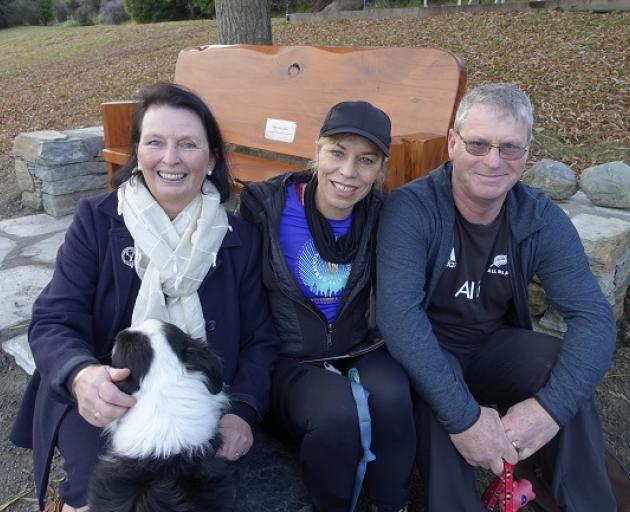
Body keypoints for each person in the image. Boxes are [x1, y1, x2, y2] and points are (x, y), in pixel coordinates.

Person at [11, 83, 279, 512]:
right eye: (155, 142)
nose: (170, 159)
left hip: (194, 401)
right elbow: (53, 319)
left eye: (188, 144)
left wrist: (241, 411)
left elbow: (261, 340)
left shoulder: (239, 238)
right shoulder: (97, 221)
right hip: (105, 397)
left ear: (211, 159)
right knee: (95, 492)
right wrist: (81, 376)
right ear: (137, 153)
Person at [376, 83, 617, 511]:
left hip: (491, 347)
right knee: (442, 403)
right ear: (452, 143)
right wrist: (466, 418)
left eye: (509, 148)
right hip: (426, 349)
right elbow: (398, 316)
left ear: (527, 153)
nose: (493, 161)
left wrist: (549, 410)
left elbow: (593, 318)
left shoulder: (539, 219)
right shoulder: (413, 209)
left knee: (560, 367)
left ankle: (588, 502)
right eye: (478, 144)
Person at [240, 101, 415, 512]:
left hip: (355, 347)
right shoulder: (266, 206)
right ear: (316, 151)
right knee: (338, 412)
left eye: (366, 160)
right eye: (337, 152)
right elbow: (239, 293)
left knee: (392, 394)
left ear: (380, 169)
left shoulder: (380, 213)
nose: (348, 172)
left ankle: (392, 504)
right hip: (287, 359)